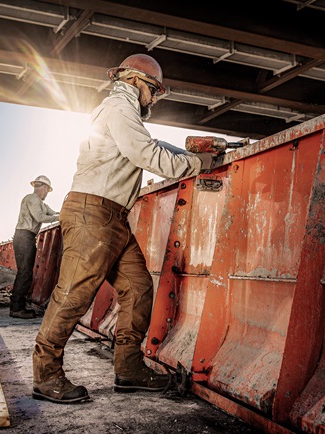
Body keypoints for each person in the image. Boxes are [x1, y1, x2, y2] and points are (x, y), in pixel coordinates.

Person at [31, 53, 214, 404]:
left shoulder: (120, 111)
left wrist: (196, 153)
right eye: (152, 90)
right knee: (73, 294)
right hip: (93, 213)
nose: (154, 99)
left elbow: (152, 145)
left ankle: (129, 369)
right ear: (133, 81)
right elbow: (146, 153)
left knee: (139, 287)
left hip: (111, 216)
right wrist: (196, 164)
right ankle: (46, 376)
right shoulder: (119, 107)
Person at [10, 175, 59, 319]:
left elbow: (53, 213)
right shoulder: (31, 199)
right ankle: (16, 308)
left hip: (26, 237)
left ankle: (19, 305)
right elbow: (41, 218)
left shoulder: (41, 204)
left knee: (25, 272)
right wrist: (61, 218)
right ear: (44, 188)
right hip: (24, 236)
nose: (46, 194)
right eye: (47, 191)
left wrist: (63, 214)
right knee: (24, 273)